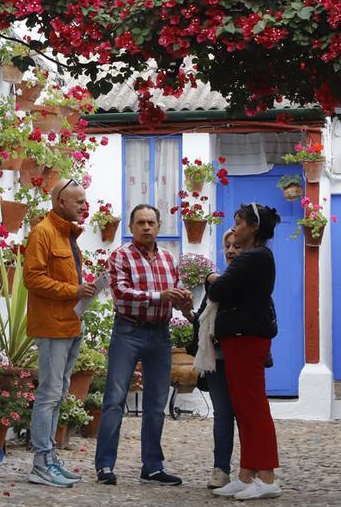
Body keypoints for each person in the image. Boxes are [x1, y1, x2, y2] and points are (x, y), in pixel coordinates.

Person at [94, 204, 191, 486]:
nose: (146, 227)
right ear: (131, 228)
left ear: (159, 226)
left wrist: (182, 300)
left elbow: (176, 288)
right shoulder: (120, 256)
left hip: (160, 334)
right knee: (114, 399)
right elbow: (121, 293)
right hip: (128, 331)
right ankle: (105, 466)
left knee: (156, 403)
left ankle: (152, 466)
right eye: (140, 223)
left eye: (151, 222)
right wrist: (159, 296)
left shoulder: (169, 259)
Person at [205, 202, 282, 501]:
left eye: (239, 222)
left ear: (253, 228)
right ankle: (246, 474)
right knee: (244, 410)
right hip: (238, 339)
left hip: (247, 339)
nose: (234, 227)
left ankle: (267, 477)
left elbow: (218, 290)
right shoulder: (252, 257)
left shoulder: (255, 257)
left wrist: (212, 278)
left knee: (254, 409)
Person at [23, 178, 96, 488]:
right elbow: (33, 279)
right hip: (53, 326)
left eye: (84, 200)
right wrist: (74, 290)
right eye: (78, 201)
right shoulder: (43, 233)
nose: (84, 206)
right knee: (49, 394)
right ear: (61, 203)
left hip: (70, 324)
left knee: (59, 393)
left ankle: (50, 459)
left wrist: (83, 289)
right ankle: (40, 463)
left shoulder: (67, 235)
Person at [180, 230, 240, 489]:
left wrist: (211, 280)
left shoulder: (244, 280)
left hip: (241, 356)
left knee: (246, 414)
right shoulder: (218, 280)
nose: (230, 250)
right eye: (227, 246)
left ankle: (252, 470)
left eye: (236, 246)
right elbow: (205, 322)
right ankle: (221, 469)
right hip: (216, 358)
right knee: (223, 414)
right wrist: (188, 314)